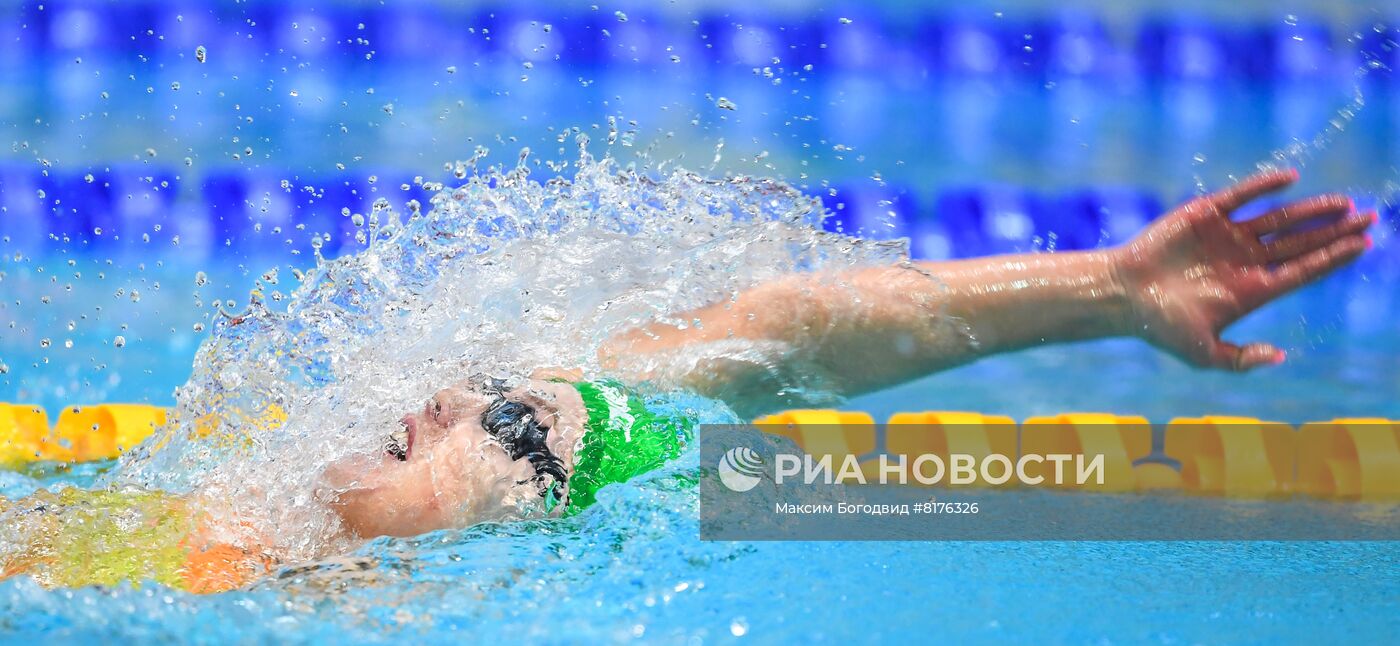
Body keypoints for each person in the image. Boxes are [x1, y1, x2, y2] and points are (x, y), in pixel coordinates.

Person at [0, 168, 1375, 591]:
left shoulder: (423, 495)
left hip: (518, 488)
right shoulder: (603, 425)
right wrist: (1110, 290)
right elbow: (793, 331)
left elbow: (795, 331)